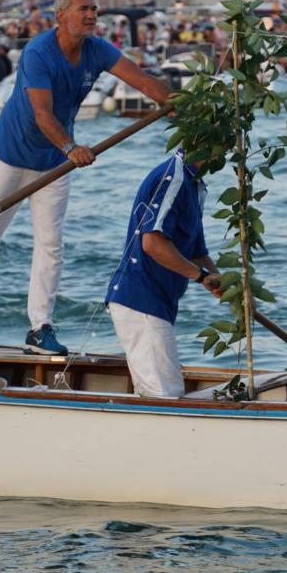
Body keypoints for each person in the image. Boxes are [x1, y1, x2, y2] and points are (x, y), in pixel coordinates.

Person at [0, 0, 173, 354]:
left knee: (50, 245)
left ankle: (40, 327)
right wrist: (70, 148)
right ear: (61, 16)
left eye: (95, 9)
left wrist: (176, 101)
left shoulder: (98, 50)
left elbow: (141, 80)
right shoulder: (38, 52)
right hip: (11, 156)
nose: (92, 15)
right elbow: (41, 114)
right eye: (84, 9)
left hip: (54, 163)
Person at [105, 150, 221, 398]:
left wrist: (225, 285)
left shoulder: (194, 183)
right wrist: (201, 277)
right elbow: (153, 243)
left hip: (159, 303)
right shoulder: (173, 178)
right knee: (165, 395)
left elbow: (196, 251)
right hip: (141, 301)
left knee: (164, 391)